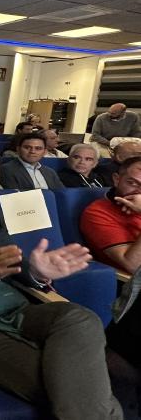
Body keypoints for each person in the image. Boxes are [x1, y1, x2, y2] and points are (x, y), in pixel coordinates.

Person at [0, 226, 121, 419]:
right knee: (90, 396)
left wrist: (36, 272)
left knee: (81, 318)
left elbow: (10, 260)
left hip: (14, 308)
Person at [80, 156, 141, 368]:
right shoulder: (98, 212)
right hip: (130, 291)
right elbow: (132, 265)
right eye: (132, 183)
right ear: (116, 179)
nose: (138, 192)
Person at [0, 134, 64, 190]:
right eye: (27, 147)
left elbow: (61, 193)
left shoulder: (50, 172)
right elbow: (14, 196)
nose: (32, 151)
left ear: (44, 152)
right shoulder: (6, 170)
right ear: (18, 149)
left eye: (38, 148)